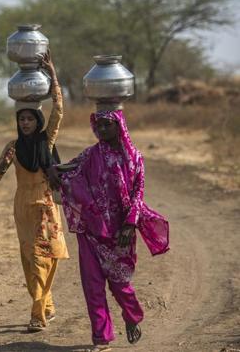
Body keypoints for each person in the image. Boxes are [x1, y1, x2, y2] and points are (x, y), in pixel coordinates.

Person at [50, 109, 170, 352]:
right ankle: (102, 339)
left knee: (120, 284)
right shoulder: (90, 154)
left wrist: (130, 223)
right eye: (98, 126)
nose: (101, 130)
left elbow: (138, 194)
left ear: (119, 126)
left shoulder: (135, 158)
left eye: (107, 125)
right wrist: (53, 170)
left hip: (120, 231)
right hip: (91, 229)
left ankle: (132, 315)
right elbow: (70, 169)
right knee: (92, 285)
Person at [0, 50, 69, 332]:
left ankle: (37, 314)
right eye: (21, 119)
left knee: (45, 257)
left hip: (46, 205)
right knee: (29, 261)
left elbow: (58, 110)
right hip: (23, 207)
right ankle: (47, 305)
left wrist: (53, 75)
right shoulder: (12, 147)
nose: (25, 123)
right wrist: (1, 167)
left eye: (30, 119)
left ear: (37, 120)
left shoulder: (46, 143)